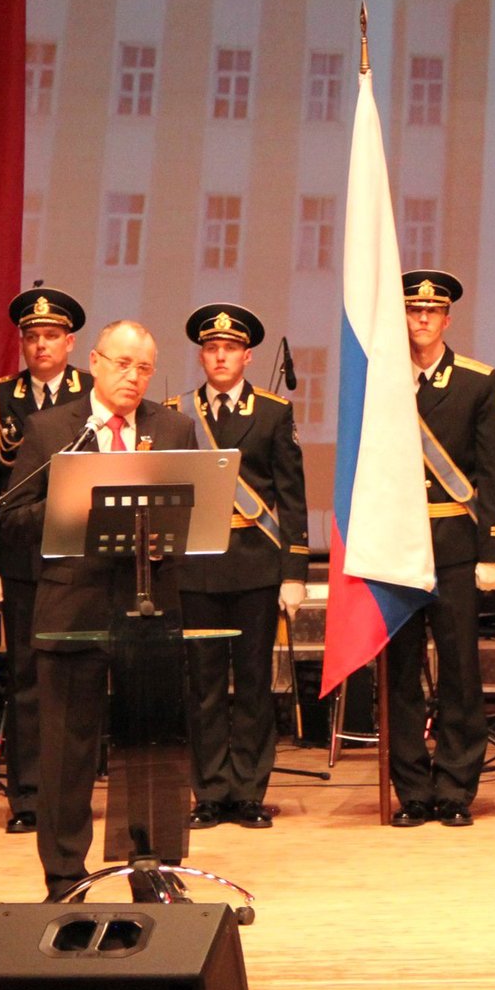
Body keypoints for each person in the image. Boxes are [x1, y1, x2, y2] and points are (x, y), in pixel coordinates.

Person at [0, 320, 198, 899]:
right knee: (67, 752)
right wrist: (78, 501)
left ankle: (152, 873)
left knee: (151, 748)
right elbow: (12, 521)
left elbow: (193, 516)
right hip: (72, 607)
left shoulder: (174, 427)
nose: (132, 377)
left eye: (144, 368)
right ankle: (64, 876)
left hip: (150, 607)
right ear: (94, 361)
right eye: (121, 364)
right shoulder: (51, 429)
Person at [168, 304, 309, 831]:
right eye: (211, 348)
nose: (220, 355)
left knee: (252, 683)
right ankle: (209, 793)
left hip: (254, 565)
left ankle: (249, 792)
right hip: (196, 568)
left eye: (230, 348)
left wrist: (294, 571)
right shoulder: (176, 414)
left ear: (247, 357)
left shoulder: (274, 413)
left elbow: (292, 498)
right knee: (202, 685)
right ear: (202, 355)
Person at [388, 271, 495, 828]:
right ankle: (412, 790)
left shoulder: (476, 381)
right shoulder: (380, 383)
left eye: (431, 312)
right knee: (399, 675)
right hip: (394, 550)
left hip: (457, 549)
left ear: (447, 319)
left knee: (461, 672)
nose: (421, 320)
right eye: (413, 311)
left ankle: (456, 789)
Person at [0, 284, 92, 835]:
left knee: (78, 680)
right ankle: (25, 797)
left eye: (50, 336)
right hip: (20, 562)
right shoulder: (0, 398)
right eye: (31, 336)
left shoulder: (92, 394)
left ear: (69, 342)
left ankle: (74, 794)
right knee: (23, 678)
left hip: (79, 561)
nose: (40, 345)